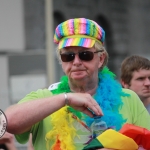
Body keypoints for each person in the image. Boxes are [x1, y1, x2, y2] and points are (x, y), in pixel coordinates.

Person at [5, 18, 150, 150]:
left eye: (85, 54)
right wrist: (65, 99)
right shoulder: (44, 98)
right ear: (61, 61)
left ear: (100, 59)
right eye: (68, 56)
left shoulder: (128, 99)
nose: (76, 62)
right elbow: (7, 122)